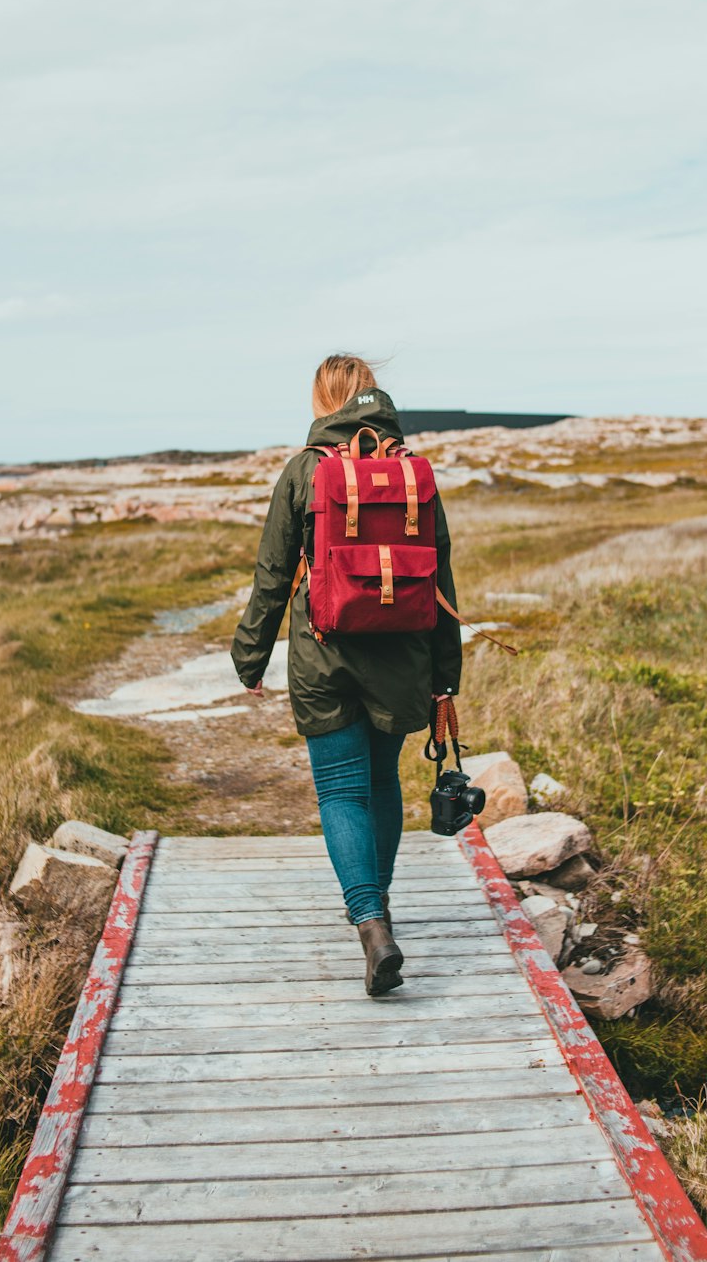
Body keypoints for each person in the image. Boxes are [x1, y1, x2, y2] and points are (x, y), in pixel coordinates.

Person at [230, 355, 463, 996]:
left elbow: (273, 575)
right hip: (404, 654)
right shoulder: (414, 472)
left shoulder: (305, 471)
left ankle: (369, 922)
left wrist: (250, 657)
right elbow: (440, 579)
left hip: (324, 650)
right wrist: (447, 675)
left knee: (339, 789)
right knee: (381, 782)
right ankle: (376, 913)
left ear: (321, 401)